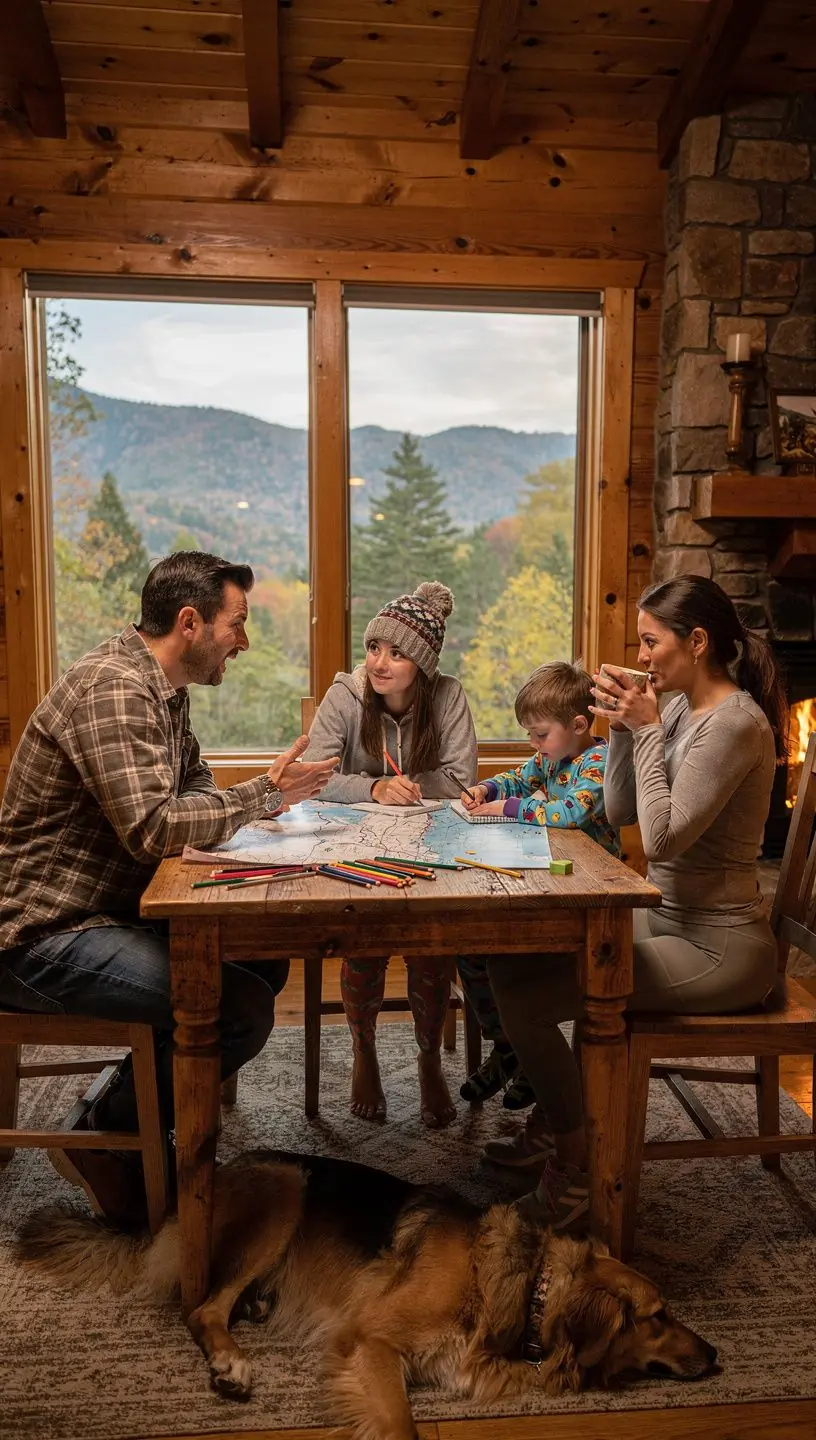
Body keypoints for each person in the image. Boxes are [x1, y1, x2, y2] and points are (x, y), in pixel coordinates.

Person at [0, 551, 339, 1226]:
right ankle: (104, 1135)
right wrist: (265, 794)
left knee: (262, 956)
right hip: (40, 933)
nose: (244, 641)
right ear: (190, 623)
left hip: (104, 910)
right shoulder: (115, 690)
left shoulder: (164, 690)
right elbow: (156, 827)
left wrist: (242, 803)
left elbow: (196, 784)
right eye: (237, 623)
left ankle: (143, 1107)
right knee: (237, 1006)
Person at [475, 575, 786, 1231]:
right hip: (663, 917)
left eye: (651, 642)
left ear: (696, 642)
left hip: (719, 944)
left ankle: (576, 1163)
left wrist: (643, 730)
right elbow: (620, 811)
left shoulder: (734, 724)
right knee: (512, 960)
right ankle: (560, 1119)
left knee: (530, 999)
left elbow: (665, 837)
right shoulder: (674, 712)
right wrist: (620, 729)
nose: (640, 657)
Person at [303, 581, 478, 1128]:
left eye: (397, 653)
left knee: (432, 946)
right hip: (355, 846)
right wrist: (373, 788)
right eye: (375, 647)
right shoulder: (345, 695)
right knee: (363, 942)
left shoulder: (448, 697)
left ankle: (429, 1058)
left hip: (430, 842)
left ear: (422, 665)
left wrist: (415, 785)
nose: (379, 662)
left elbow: (462, 778)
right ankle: (365, 1052)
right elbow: (311, 778)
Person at [456, 660, 619, 1163]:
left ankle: (528, 1057)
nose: (534, 744)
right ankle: (512, 1047)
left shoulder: (597, 762)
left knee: (506, 957)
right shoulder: (551, 757)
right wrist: (489, 789)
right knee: (471, 950)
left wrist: (506, 809)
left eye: (540, 734)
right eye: (529, 734)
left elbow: (568, 813)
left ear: (579, 724)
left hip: (586, 899)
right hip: (549, 879)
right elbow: (517, 778)